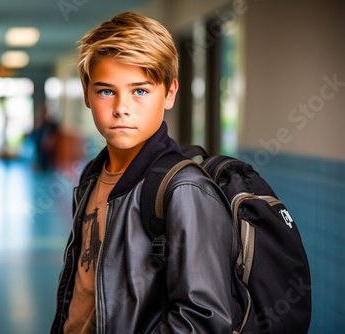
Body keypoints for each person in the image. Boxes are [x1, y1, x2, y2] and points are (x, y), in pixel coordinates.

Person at [51, 12, 237, 334]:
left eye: (140, 91)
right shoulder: (92, 177)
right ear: (86, 94)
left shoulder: (184, 190)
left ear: (169, 93)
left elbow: (202, 321)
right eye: (106, 91)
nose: (122, 107)